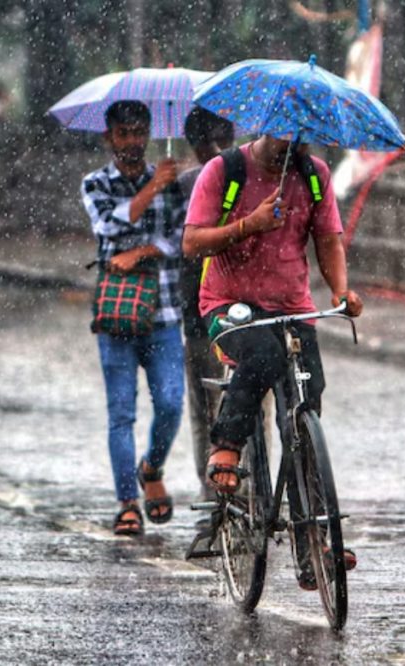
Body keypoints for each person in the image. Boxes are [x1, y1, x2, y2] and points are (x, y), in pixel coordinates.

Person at [182, 134, 363, 586]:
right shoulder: (225, 172)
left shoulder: (314, 175)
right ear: (266, 127)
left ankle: (313, 544)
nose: (294, 144)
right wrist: (249, 225)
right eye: (285, 134)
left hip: (293, 308)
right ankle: (226, 444)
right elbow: (192, 243)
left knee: (305, 406)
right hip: (230, 306)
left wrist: (341, 292)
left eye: (303, 136)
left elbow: (329, 241)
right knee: (262, 356)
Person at [81, 100, 186, 537]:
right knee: (120, 412)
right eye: (123, 133)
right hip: (117, 314)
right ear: (109, 137)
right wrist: (150, 190)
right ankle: (127, 502)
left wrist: (143, 251)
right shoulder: (95, 183)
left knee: (170, 403)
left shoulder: (172, 183)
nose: (132, 141)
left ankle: (152, 466)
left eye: (138, 132)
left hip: (164, 311)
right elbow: (109, 227)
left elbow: (182, 239)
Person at [177, 107, 234, 501]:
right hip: (211, 310)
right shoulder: (181, 186)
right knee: (217, 405)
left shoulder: (187, 185)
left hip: (221, 311)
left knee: (218, 405)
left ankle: (222, 486)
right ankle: (224, 487)